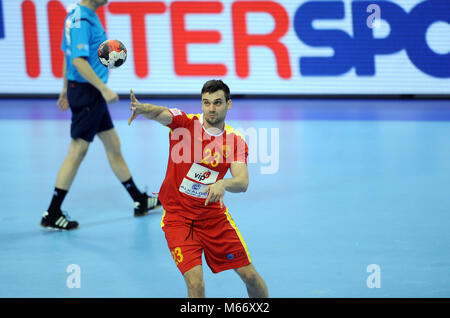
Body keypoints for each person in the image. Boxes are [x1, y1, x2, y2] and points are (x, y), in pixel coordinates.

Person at [128, 80, 268, 298]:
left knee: (249, 276)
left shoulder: (234, 141)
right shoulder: (185, 124)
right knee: (196, 285)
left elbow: (242, 182)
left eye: (217, 102)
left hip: (213, 218)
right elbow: (162, 113)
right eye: (206, 102)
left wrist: (223, 183)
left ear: (228, 105)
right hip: (179, 219)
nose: (211, 108)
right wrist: (143, 108)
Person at [40, 0, 159, 231]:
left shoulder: (78, 14)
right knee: (77, 151)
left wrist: (64, 89)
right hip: (88, 93)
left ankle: (139, 200)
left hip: (84, 92)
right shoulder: (82, 20)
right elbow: (77, 60)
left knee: (113, 144)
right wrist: (103, 89)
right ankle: (52, 212)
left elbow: (67, 54)